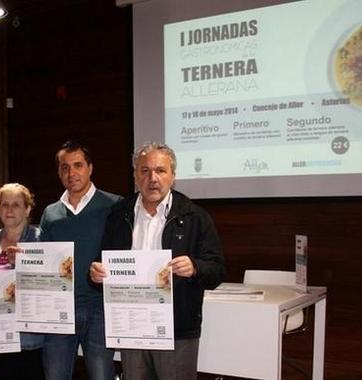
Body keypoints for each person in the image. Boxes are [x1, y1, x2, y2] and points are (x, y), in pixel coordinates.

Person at [89, 142, 225, 380]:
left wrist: (195, 267)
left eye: (160, 170)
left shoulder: (195, 216)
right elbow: (103, 261)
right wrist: (96, 273)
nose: (152, 178)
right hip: (131, 326)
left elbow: (217, 270)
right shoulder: (119, 215)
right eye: (144, 170)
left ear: (173, 176)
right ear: (135, 175)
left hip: (177, 329)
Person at [39, 140, 122, 380]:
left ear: (90, 168)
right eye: (65, 167)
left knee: (101, 375)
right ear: (59, 172)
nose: (71, 172)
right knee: (55, 375)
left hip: (99, 308)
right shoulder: (50, 212)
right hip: (59, 309)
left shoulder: (114, 205)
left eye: (78, 165)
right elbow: (44, 258)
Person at [0, 183, 45, 380]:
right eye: (5, 204)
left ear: (27, 209)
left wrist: (24, 263)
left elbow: (52, 283)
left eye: (16, 205)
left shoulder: (42, 238)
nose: (9, 210)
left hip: (29, 337)